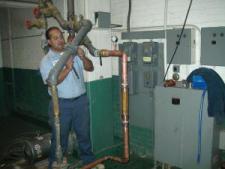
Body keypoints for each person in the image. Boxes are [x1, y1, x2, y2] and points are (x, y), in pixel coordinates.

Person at [39, 26, 95, 169]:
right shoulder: (46, 61)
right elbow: (52, 81)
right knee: (59, 137)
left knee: (84, 134)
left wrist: (82, 56)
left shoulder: (72, 52)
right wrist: (68, 68)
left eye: (60, 36)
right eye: (55, 38)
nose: (60, 40)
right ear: (49, 42)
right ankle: (55, 163)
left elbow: (90, 68)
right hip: (61, 104)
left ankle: (89, 161)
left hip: (80, 102)